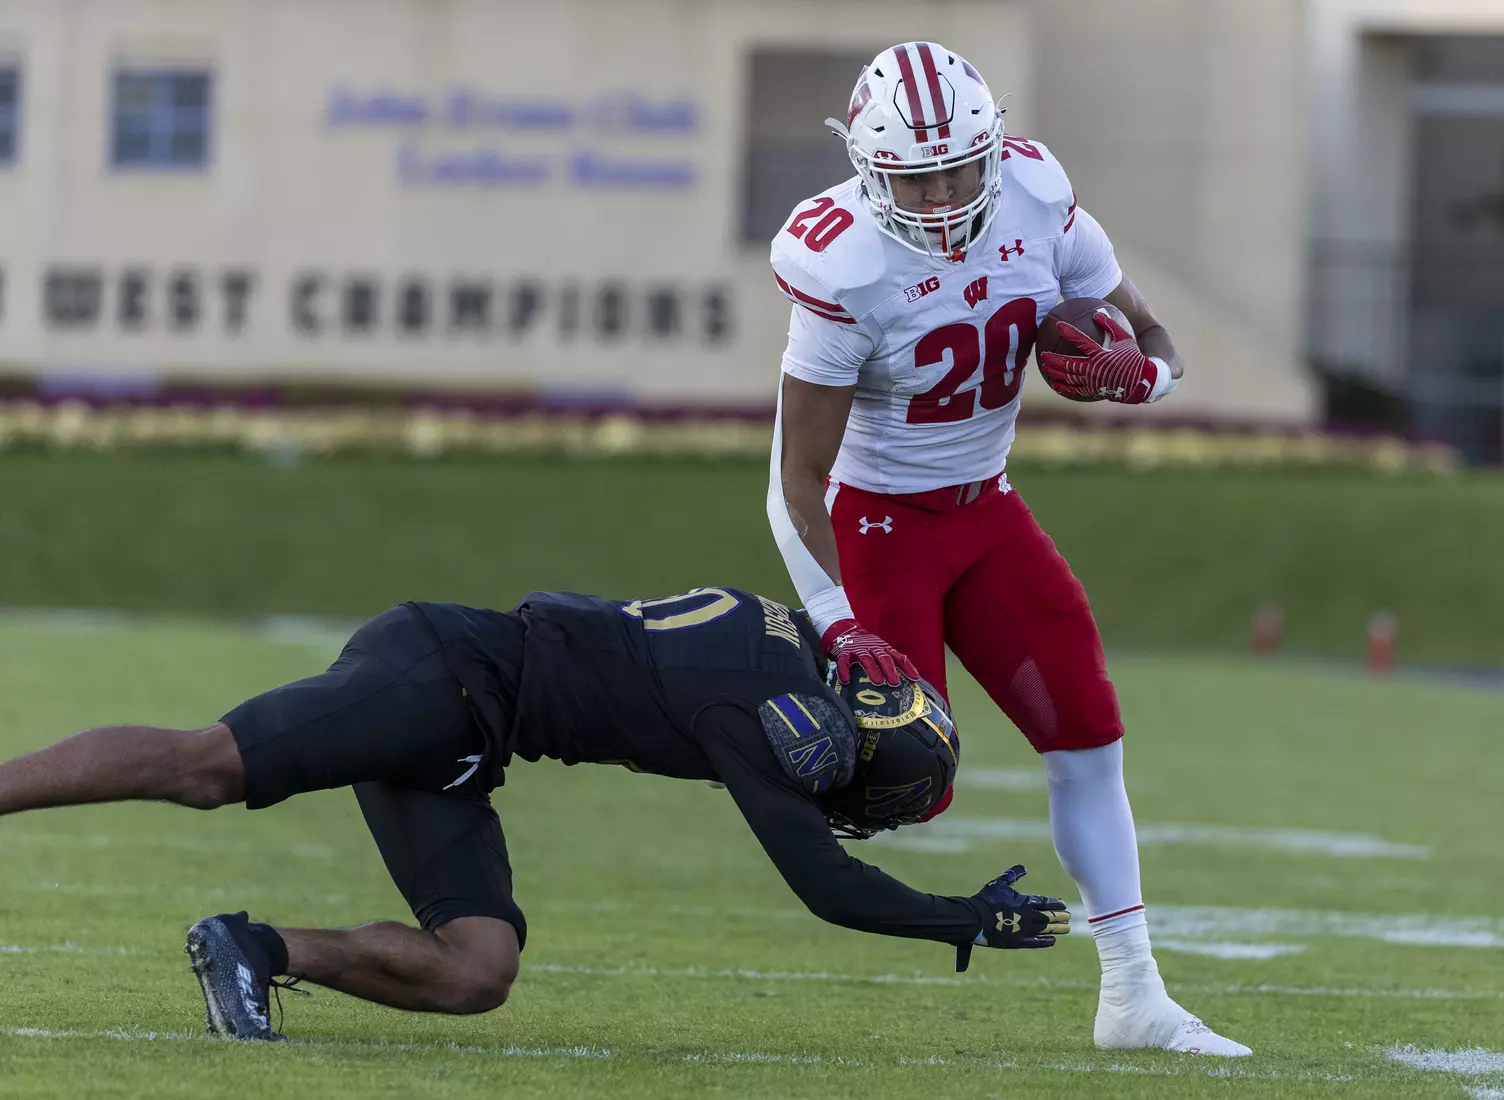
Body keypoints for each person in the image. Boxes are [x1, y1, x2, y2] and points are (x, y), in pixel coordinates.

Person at [765, 42, 1249, 1055]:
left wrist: (1135, 378)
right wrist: (839, 617)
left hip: (986, 513)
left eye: (957, 168)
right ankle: (748, 713)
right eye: (915, 176)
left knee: (1088, 730)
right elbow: (795, 480)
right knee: (909, 779)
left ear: (994, 149)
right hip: (880, 522)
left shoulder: (1034, 193)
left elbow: (1153, 338)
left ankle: (1133, 992)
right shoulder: (843, 258)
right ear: (866, 168)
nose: (942, 198)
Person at [0, 586, 1068, 1040]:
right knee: (207, 766)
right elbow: (825, 884)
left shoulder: (784, 649)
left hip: (472, 727)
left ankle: (252, 947)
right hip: (442, 673)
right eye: (875, 800)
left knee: (479, 966)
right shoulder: (770, 712)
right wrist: (960, 918)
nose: (855, 813)